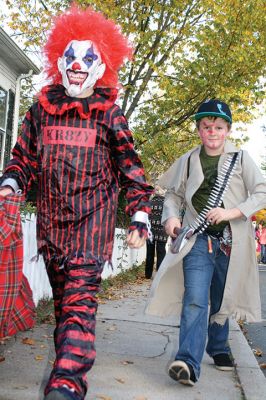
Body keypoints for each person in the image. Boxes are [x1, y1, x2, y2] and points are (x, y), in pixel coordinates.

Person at [0, 5, 153, 400]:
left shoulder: (110, 116)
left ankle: (67, 385)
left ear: (103, 65)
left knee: (79, 307)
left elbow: (132, 171)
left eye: (89, 57)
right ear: (58, 62)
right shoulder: (40, 112)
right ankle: (65, 373)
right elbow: (23, 158)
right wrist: (12, 181)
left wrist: (139, 215)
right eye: (71, 56)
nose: (78, 65)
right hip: (52, 232)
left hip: (92, 229)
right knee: (65, 310)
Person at [145, 99, 266, 387]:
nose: (213, 132)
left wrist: (230, 212)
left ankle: (219, 347)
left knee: (222, 297)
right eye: (206, 126)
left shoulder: (241, 158)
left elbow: (261, 192)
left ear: (228, 130)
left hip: (231, 242)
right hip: (197, 239)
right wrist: (171, 220)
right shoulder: (187, 159)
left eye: (219, 127)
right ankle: (187, 361)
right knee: (196, 299)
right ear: (199, 129)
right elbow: (173, 195)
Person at [145, 191, 168, 279]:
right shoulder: (166, 203)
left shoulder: (149, 202)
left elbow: (146, 216)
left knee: (149, 253)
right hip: (162, 231)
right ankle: (160, 275)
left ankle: (148, 274)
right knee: (161, 251)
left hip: (150, 231)